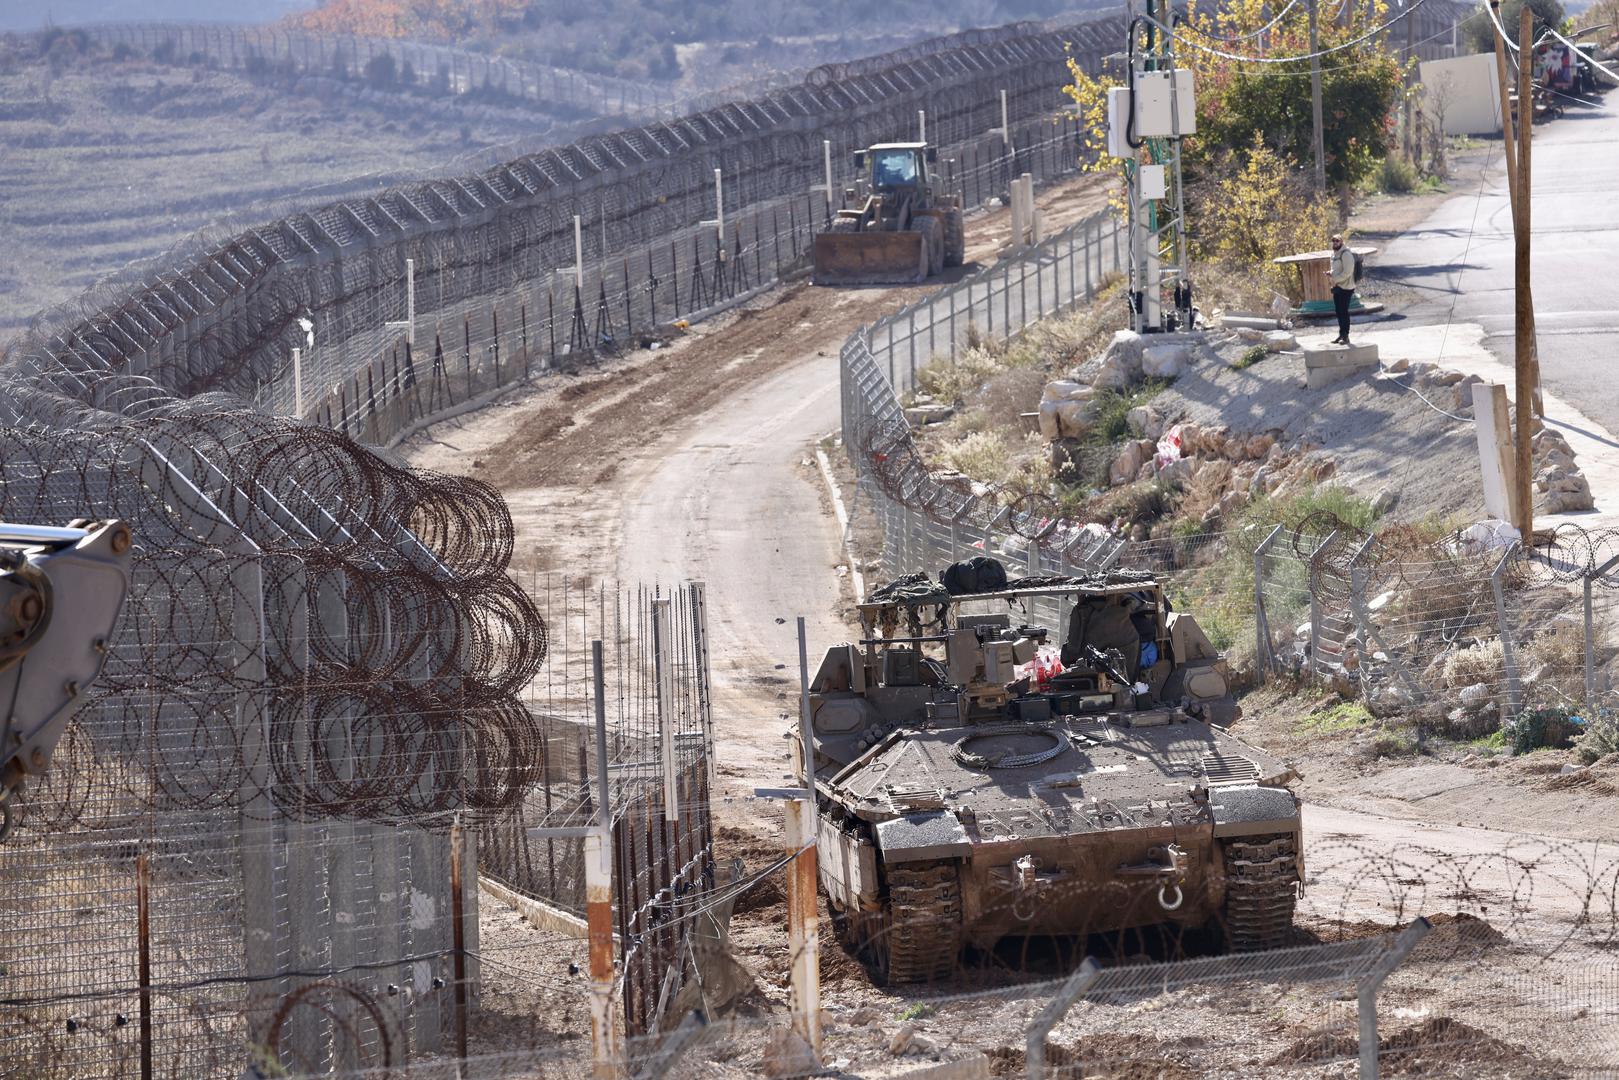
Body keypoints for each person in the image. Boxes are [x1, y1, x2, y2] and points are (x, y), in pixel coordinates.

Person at [1329, 233, 1355, 345]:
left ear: (1342, 242)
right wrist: (1330, 274)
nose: (1335, 243)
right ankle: (1341, 334)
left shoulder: (1346, 254)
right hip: (1338, 286)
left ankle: (1346, 336)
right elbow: (1335, 269)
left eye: (1337, 241)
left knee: (1344, 312)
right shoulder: (1334, 254)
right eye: (1333, 241)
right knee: (1338, 311)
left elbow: (1348, 272)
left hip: (1347, 287)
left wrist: (1336, 279)